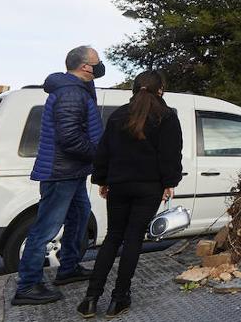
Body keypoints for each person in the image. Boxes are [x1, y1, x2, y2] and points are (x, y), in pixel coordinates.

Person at [78, 70, 183, 319]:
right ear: (161, 90)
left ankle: (91, 299)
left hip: (119, 186)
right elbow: (170, 154)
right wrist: (169, 182)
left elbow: (104, 152)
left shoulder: (117, 116)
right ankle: (119, 299)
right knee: (133, 239)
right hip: (149, 187)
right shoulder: (166, 117)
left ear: (134, 89)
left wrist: (102, 180)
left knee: (113, 237)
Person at [12, 46, 105, 306]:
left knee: (79, 217)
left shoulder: (76, 90)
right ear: (86, 67)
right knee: (46, 228)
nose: (100, 66)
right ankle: (28, 286)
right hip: (60, 172)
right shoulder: (70, 93)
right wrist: (99, 155)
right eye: (97, 62)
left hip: (72, 171)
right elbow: (70, 138)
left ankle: (69, 268)